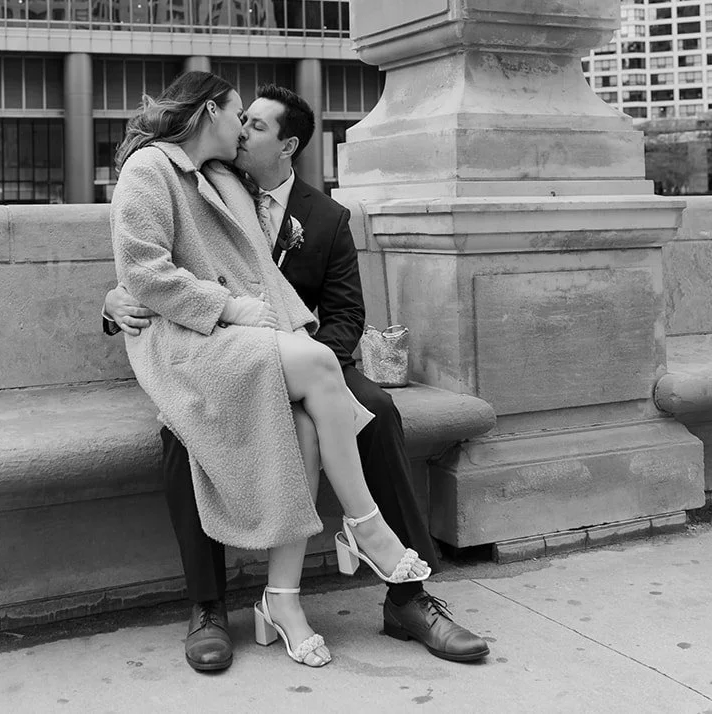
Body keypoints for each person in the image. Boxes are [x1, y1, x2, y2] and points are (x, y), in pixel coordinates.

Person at [106, 83, 490, 672]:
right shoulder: (178, 171)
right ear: (213, 116)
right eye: (243, 118)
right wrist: (116, 301)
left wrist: (309, 357)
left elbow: (346, 316)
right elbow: (146, 263)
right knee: (184, 434)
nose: (244, 131)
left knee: (375, 414)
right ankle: (210, 606)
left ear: (286, 146)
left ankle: (406, 600)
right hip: (219, 344)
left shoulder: (324, 217)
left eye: (256, 126)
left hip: (306, 348)